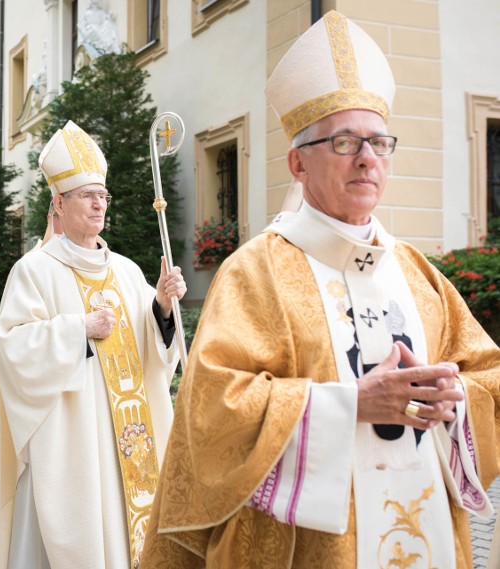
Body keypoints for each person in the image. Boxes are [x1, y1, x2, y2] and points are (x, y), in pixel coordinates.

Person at [140, 11, 500, 568]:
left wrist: (457, 402)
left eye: (380, 142)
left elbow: (486, 378)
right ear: (297, 163)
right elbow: (211, 414)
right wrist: (351, 403)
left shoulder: (416, 273)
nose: (367, 158)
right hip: (314, 549)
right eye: (343, 141)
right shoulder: (254, 272)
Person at [0, 121, 187, 569]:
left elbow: (157, 348)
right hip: (72, 442)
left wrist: (162, 307)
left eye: (102, 196)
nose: (98, 203)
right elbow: (13, 350)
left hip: (131, 440)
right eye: (87, 195)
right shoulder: (34, 270)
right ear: (59, 204)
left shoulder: (125, 270)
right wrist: (77, 330)